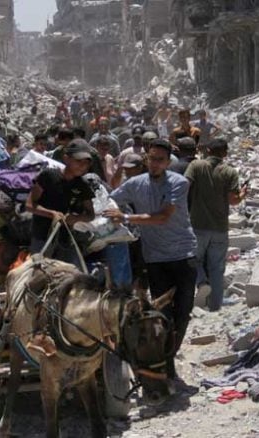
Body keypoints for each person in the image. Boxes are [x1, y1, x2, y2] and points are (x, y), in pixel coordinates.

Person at [105, 138, 197, 384]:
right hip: (155, 259)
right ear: (146, 159)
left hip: (183, 255)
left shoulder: (179, 183)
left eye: (160, 160)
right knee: (162, 316)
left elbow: (163, 216)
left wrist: (125, 217)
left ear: (168, 162)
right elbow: (110, 200)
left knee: (183, 313)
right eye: (152, 159)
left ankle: (170, 356)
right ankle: (166, 365)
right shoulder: (135, 184)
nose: (155, 163)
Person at [184, 139, 246, 311]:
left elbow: (184, 186)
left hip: (197, 225)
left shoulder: (196, 166)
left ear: (208, 150)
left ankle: (201, 282)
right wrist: (242, 194)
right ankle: (215, 306)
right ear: (225, 153)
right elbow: (233, 200)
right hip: (219, 227)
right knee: (217, 268)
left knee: (194, 260)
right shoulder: (230, 172)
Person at [26, 139, 95, 266]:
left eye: (86, 163)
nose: (82, 166)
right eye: (78, 161)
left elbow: (91, 214)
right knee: (39, 271)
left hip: (65, 239)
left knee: (72, 272)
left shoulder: (82, 185)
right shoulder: (48, 176)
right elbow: (29, 205)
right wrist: (52, 214)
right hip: (42, 236)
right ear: (66, 158)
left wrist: (76, 218)